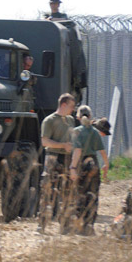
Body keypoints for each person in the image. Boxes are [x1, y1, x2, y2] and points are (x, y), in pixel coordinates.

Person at [64, 106, 109, 235]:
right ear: (90, 116)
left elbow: (77, 151)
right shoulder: (95, 132)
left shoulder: (76, 132)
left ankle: (79, 226)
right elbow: (102, 152)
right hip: (93, 163)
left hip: (81, 165)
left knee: (79, 195)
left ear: (78, 117)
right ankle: (89, 226)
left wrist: (72, 167)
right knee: (93, 196)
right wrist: (106, 165)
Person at [38, 93, 76, 233]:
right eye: (71, 106)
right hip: (53, 158)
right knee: (48, 192)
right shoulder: (49, 120)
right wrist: (62, 145)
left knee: (67, 193)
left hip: (67, 159)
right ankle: (41, 224)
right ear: (63, 105)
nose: (73, 109)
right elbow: (45, 142)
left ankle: (65, 226)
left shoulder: (71, 120)